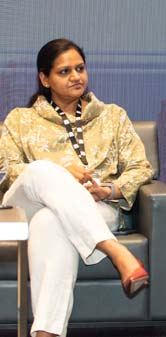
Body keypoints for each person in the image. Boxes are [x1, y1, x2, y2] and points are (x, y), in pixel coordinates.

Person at [0, 39, 153, 337]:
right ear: (45, 79)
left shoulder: (112, 117)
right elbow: (6, 169)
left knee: (50, 221)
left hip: (96, 207)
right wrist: (60, 172)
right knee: (41, 170)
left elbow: (141, 167)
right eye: (64, 71)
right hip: (25, 205)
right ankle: (114, 250)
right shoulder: (21, 119)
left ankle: (46, 333)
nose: (75, 77)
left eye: (80, 69)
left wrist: (109, 190)